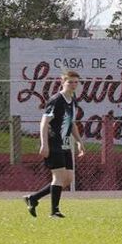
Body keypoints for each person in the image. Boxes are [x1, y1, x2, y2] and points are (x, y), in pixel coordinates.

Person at [24, 70, 85, 218]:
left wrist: (79, 142)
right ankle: (54, 212)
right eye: (70, 82)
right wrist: (44, 144)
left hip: (65, 144)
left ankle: (33, 198)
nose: (73, 85)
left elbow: (72, 123)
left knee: (68, 179)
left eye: (76, 82)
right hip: (54, 142)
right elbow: (44, 122)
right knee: (58, 177)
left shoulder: (73, 100)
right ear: (63, 82)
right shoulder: (56, 99)